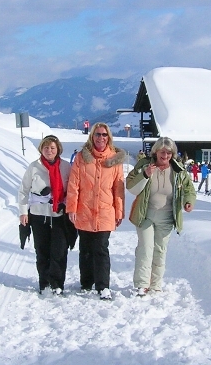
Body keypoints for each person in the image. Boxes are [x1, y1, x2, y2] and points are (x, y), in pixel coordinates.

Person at [126, 136, 196, 296]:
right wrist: (144, 174)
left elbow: (189, 189)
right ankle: (142, 284)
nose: (165, 156)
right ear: (156, 152)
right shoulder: (144, 165)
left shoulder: (178, 171)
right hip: (145, 215)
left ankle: (156, 285)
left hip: (166, 218)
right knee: (145, 248)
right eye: (162, 152)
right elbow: (130, 186)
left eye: (169, 153)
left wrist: (188, 201)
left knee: (160, 250)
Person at [67, 123, 126, 300]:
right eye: (97, 135)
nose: (101, 138)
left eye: (104, 135)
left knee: (101, 248)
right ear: (92, 137)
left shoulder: (114, 159)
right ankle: (86, 282)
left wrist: (119, 211)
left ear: (109, 138)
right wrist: (71, 207)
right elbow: (73, 184)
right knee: (85, 248)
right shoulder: (81, 158)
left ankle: (103, 286)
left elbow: (118, 187)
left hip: (105, 210)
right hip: (84, 209)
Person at [18, 135, 72, 295]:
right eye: (46, 147)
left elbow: (72, 189)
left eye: (52, 148)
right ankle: (44, 282)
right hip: (38, 215)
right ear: (41, 148)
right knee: (42, 250)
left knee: (59, 251)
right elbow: (23, 190)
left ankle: (57, 284)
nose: (49, 151)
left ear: (58, 150)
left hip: (59, 215)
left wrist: (67, 204)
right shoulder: (34, 167)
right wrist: (22, 212)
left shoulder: (66, 167)